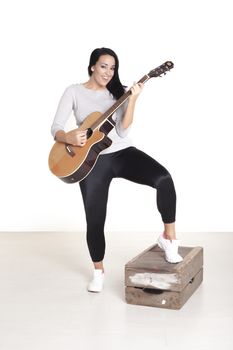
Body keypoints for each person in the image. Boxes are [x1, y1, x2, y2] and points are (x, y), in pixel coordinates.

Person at [51, 47, 183, 293]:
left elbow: (122, 131)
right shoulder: (74, 92)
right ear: (92, 66)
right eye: (103, 66)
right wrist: (68, 136)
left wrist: (132, 99)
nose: (108, 72)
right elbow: (56, 126)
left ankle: (169, 238)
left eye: (112, 68)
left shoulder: (119, 93)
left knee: (164, 178)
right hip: (91, 160)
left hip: (121, 153)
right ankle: (98, 271)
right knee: (95, 219)